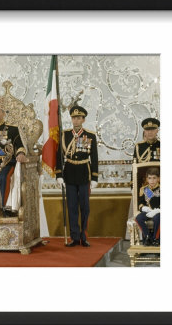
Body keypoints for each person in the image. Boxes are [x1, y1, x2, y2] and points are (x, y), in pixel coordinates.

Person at [56, 106, 98, 247]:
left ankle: (83, 237)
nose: (76, 120)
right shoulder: (64, 134)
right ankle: (74, 237)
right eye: (74, 117)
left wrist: (94, 178)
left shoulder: (90, 135)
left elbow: (95, 158)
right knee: (72, 206)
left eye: (79, 118)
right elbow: (59, 157)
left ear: (83, 119)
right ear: (71, 119)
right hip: (69, 173)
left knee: (85, 207)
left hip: (84, 174)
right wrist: (59, 175)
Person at [135, 167, 160, 246]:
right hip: (148, 211)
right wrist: (144, 208)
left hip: (158, 212)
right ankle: (148, 236)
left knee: (157, 218)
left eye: (154, 178)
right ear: (147, 179)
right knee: (139, 218)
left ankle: (156, 238)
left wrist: (157, 210)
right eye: (149, 178)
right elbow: (140, 203)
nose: (152, 181)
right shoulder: (144, 189)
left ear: (158, 178)